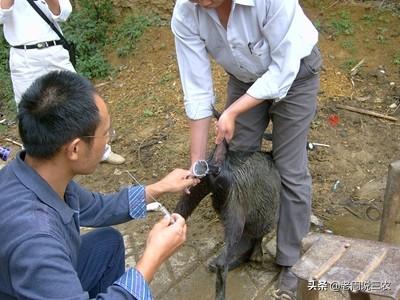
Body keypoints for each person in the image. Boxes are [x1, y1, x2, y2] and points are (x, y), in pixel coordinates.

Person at [0, 70, 200, 300]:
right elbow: (41, 245)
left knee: (107, 243)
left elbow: (96, 208)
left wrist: (157, 188)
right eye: (105, 134)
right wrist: (151, 260)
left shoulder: (34, 172)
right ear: (75, 149)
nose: (108, 140)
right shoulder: (37, 242)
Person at [171, 0, 322, 298]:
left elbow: (282, 70)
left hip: (295, 76)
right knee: (237, 162)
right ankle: (245, 238)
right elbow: (197, 89)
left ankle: (291, 258)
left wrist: (232, 112)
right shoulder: (186, 12)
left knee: (289, 167)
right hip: (244, 79)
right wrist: (197, 164)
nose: (200, 2)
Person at [0, 0, 125, 165]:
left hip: (53, 51)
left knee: (82, 99)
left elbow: (64, 13)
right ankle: (34, 164)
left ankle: (101, 150)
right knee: (28, 112)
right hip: (23, 57)